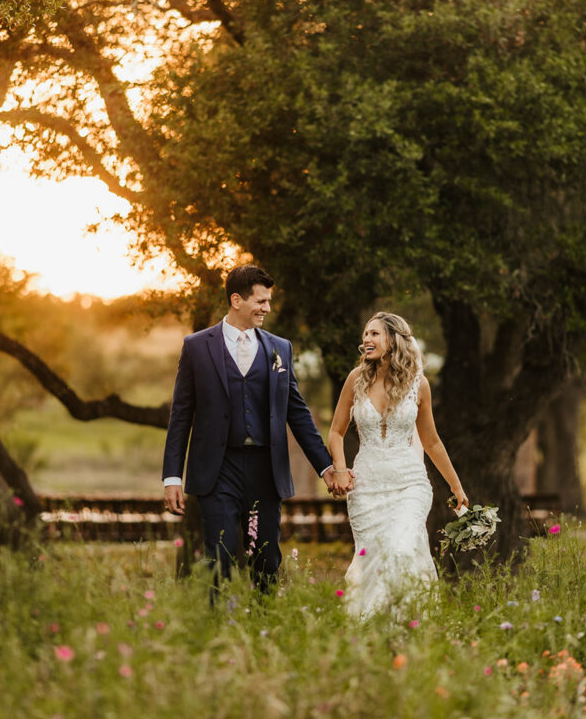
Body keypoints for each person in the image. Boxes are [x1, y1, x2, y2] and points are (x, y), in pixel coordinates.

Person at [162, 264, 337, 592]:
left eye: (269, 301)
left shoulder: (279, 348)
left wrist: (325, 466)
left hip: (264, 470)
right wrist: (172, 476)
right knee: (220, 556)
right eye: (260, 301)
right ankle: (221, 631)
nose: (267, 309)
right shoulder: (197, 346)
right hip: (218, 470)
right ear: (237, 300)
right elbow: (181, 415)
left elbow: (296, 413)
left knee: (266, 558)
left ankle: (263, 628)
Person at [328, 312, 468, 621]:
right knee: (372, 560)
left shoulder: (420, 386)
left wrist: (455, 486)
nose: (367, 339)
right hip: (366, 488)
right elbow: (336, 432)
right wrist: (339, 468)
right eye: (365, 334)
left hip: (409, 484)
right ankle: (370, 627)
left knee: (401, 548)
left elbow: (431, 442)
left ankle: (406, 623)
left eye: (375, 334)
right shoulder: (355, 379)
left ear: (394, 340)